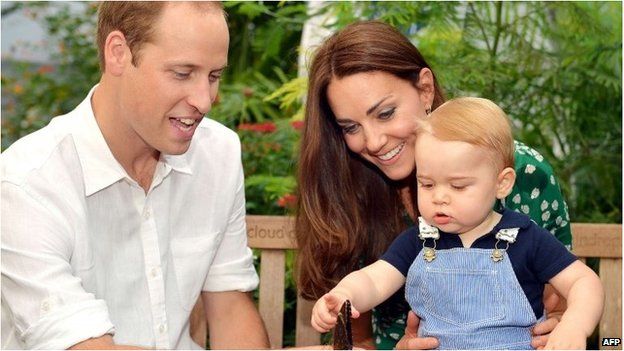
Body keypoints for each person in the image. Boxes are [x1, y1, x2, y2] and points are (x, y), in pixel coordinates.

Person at [1, 2, 269, 349]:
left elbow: (230, 307)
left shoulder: (218, 153)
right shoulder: (25, 183)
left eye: (214, 76)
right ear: (118, 53)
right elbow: (85, 347)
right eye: (182, 73)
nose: (204, 100)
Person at [295, 20, 573, 349]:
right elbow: (361, 335)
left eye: (385, 113)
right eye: (350, 127)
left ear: (425, 89)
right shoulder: (351, 185)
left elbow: (565, 296)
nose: (373, 141)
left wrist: (564, 323)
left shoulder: (516, 169)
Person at [310, 97, 604, 350]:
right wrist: (345, 295)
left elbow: (584, 281)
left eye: (458, 186)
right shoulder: (419, 242)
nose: (439, 197)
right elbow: (373, 280)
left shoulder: (525, 237)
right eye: (426, 184)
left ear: (502, 184)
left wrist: (574, 326)